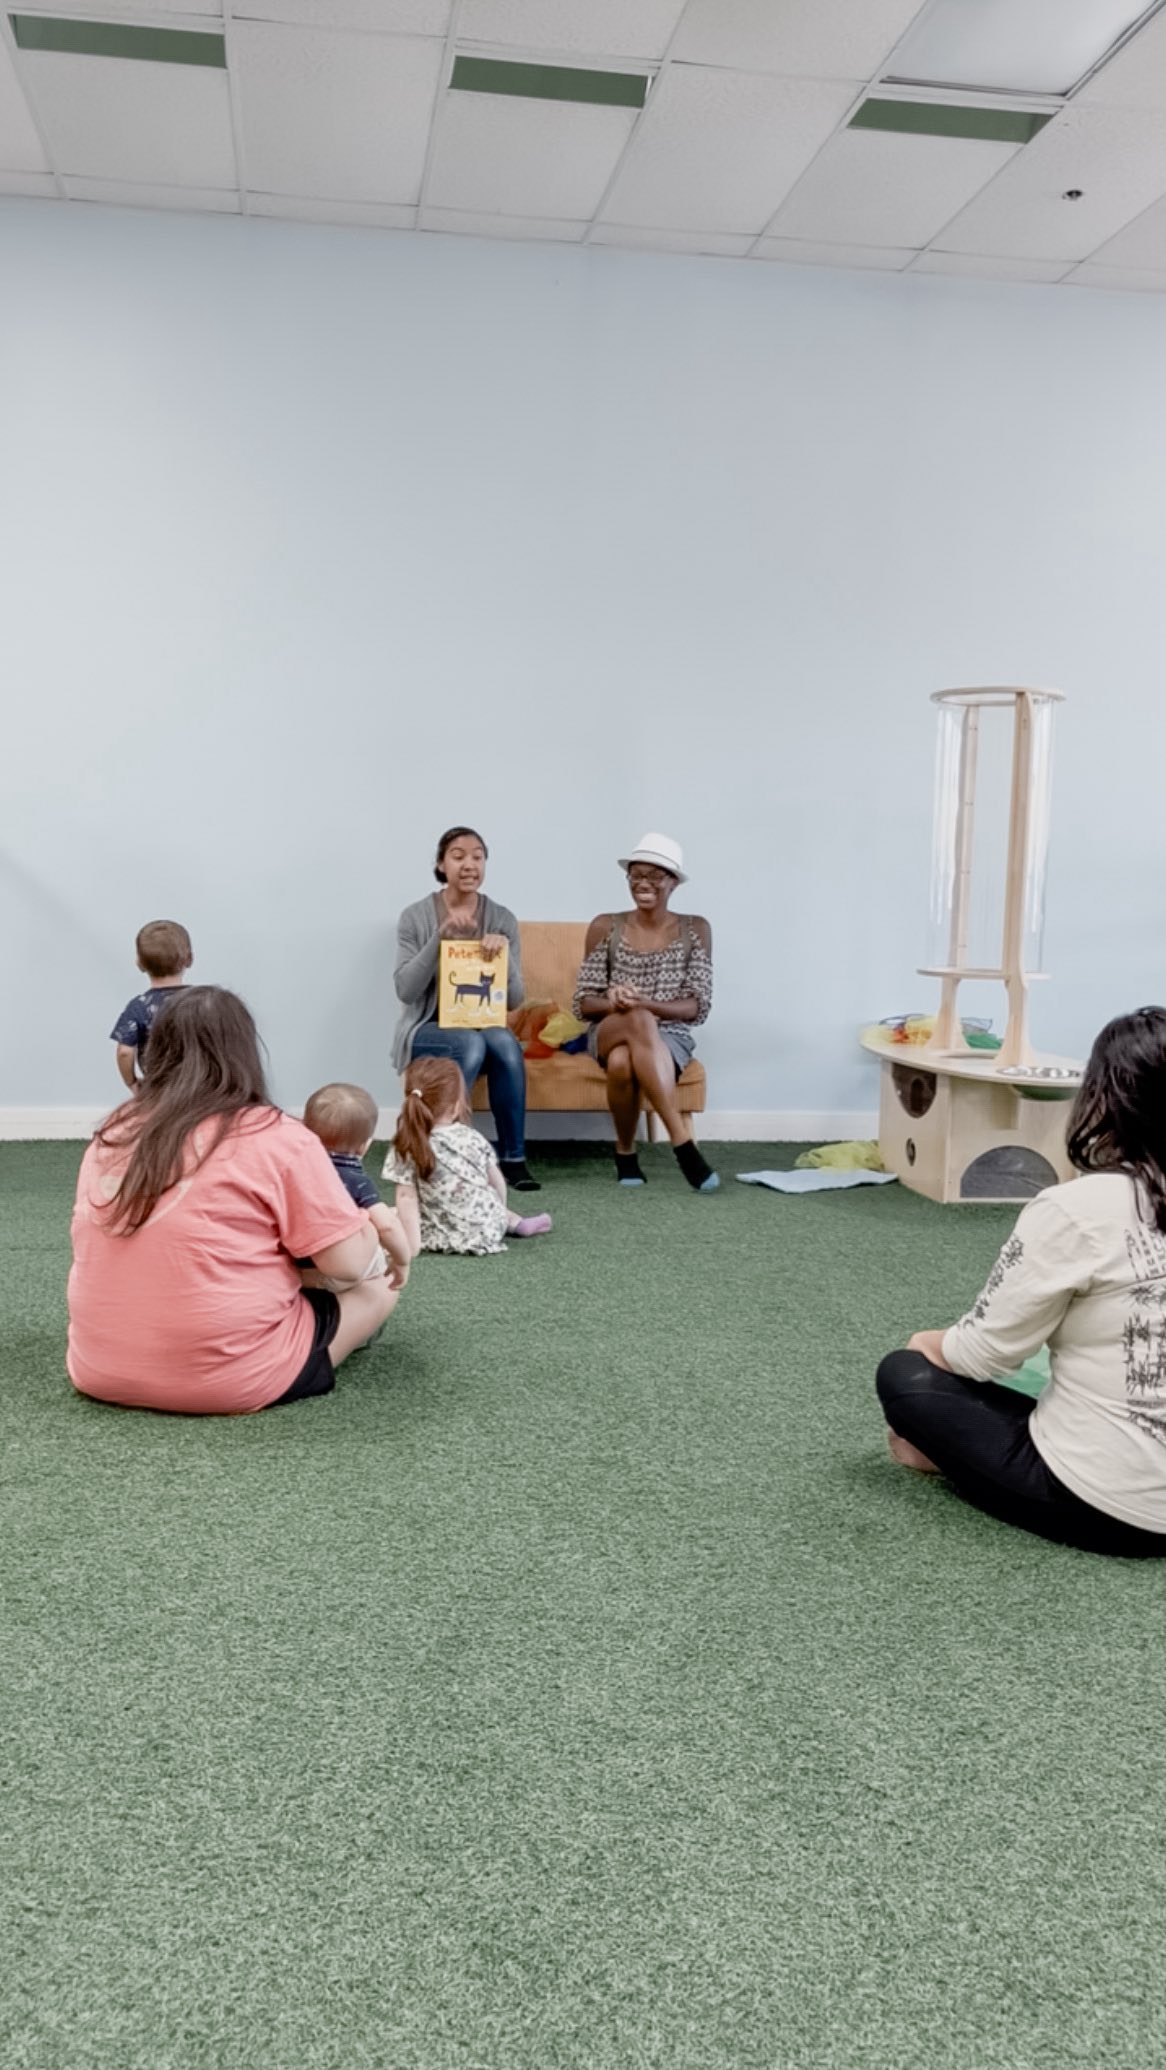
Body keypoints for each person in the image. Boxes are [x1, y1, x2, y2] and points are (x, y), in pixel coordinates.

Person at [876, 1006, 1166, 1555]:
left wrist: (924, 1346)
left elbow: (983, 1355)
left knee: (906, 1374)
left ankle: (946, 1456)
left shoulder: (1077, 1207)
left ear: (1106, 1099)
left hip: (1112, 1508)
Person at [68, 988, 400, 1414]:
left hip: (98, 1367)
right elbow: (349, 1265)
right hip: (233, 1378)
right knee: (380, 1282)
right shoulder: (278, 1135)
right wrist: (376, 1224)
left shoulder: (114, 1130)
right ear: (244, 1052)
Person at [393, 826, 539, 1190]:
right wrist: (439, 938)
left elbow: (515, 1000)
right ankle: (448, 1151)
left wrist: (503, 955)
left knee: (504, 1041)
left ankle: (514, 1158)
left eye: (477, 856)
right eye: (458, 856)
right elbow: (406, 991)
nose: (469, 864)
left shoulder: (501, 918)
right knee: (469, 1042)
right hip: (428, 1026)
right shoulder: (415, 916)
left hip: (483, 1026)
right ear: (441, 865)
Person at [574, 832, 718, 1191]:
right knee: (635, 1021)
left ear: (673, 882)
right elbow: (583, 1003)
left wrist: (646, 1004)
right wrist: (615, 1003)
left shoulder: (695, 929)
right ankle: (681, 1142)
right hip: (610, 1028)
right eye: (636, 875)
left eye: (654, 876)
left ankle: (625, 1154)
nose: (643, 883)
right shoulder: (606, 926)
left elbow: (697, 1006)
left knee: (622, 1061)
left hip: (670, 1035)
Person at [383, 1057, 552, 1256]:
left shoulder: (407, 1144)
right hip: (489, 1229)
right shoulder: (473, 1138)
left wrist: (411, 1245)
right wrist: (498, 1211)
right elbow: (497, 1182)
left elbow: (406, 1197)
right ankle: (516, 1223)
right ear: (457, 1105)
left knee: (391, 1212)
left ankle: (509, 1220)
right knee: (483, 1198)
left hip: (444, 1235)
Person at [300, 1081, 412, 1289]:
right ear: (364, 1146)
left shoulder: (294, 1170)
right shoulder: (356, 1181)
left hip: (292, 1270)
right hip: (334, 1275)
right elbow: (387, 1226)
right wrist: (402, 1261)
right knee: (384, 1218)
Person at [111, 918, 192, 1089]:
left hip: (158, 1088)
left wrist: (132, 1082)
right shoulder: (203, 1002)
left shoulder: (139, 1006)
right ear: (189, 959)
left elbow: (125, 1052)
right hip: (200, 1086)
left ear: (140, 964)